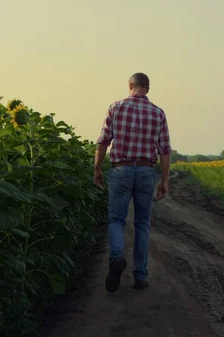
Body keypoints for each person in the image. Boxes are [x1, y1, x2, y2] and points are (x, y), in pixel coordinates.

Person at [93, 72, 172, 293]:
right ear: (148, 88)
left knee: (117, 219)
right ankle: (140, 276)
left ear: (130, 86)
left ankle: (117, 256)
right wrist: (164, 180)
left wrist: (97, 168)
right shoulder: (158, 113)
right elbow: (165, 150)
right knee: (142, 223)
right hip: (147, 171)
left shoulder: (115, 107)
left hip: (121, 169)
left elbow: (102, 142)